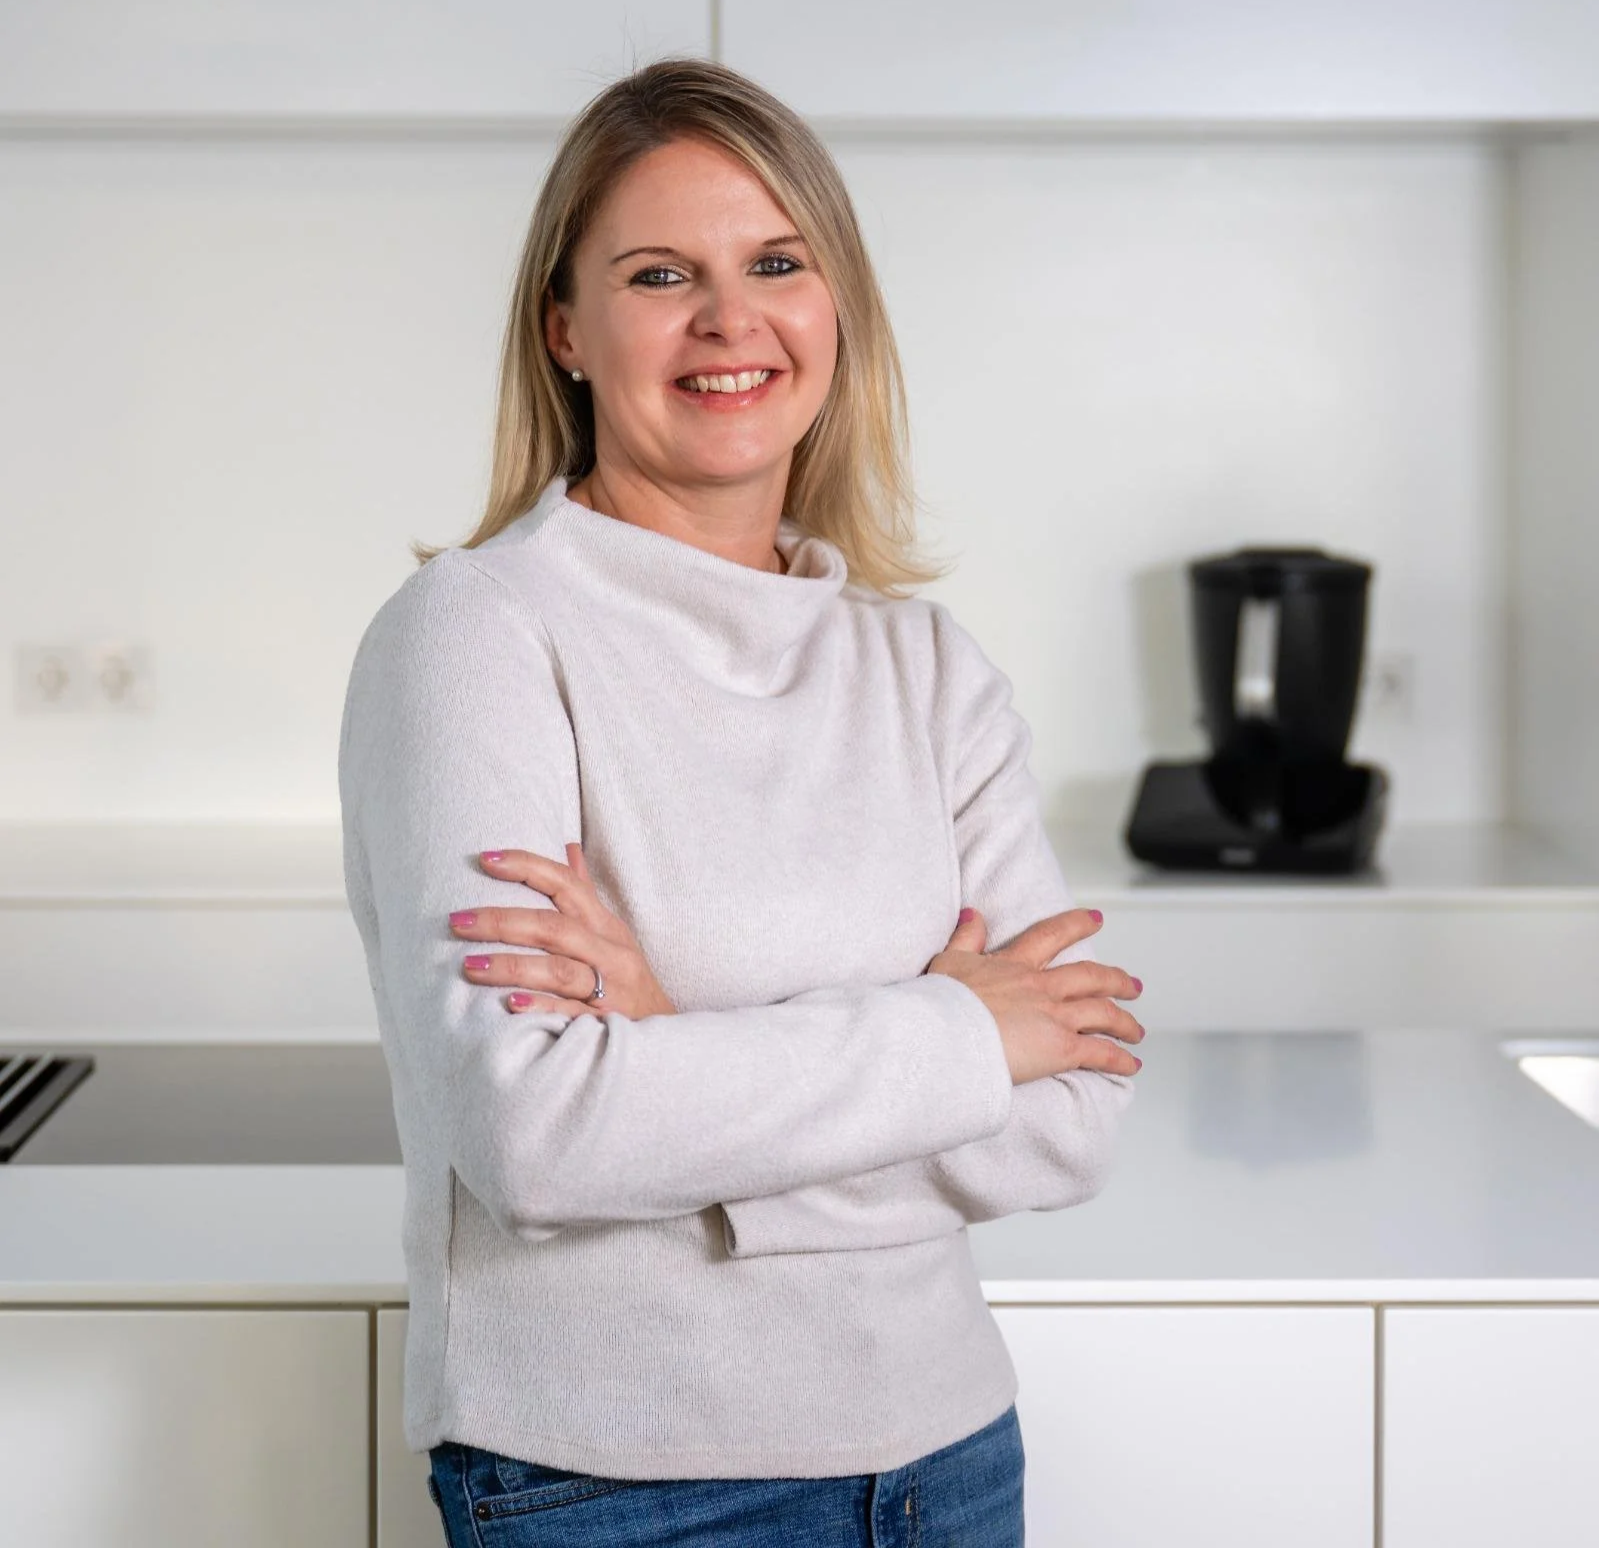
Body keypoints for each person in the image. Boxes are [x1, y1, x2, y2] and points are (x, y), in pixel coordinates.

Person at [337, 56, 1146, 1548]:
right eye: (660, 275)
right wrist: (959, 1034)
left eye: (776, 264)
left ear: (838, 309)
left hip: (951, 1459)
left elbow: (1070, 1117)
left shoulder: (924, 665)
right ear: (565, 330)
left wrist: (669, 1046)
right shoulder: (478, 635)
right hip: (620, 1485)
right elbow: (537, 1140)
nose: (729, 320)